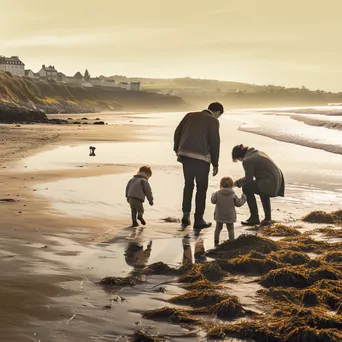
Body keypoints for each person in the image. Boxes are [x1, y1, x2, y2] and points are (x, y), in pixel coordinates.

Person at [174, 102, 224, 230]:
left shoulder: (189, 115)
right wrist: (215, 163)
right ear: (218, 112)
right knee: (201, 188)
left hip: (185, 155)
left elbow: (177, 132)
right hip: (201, 158)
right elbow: (214, 142)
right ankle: (198, 219)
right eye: (219, 115)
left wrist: (178, 150)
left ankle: (185, 215)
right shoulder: (213, 121)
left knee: (188, 185)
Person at [232, 145, 285, 226]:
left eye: (238, 159)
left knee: (247, 187)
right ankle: (268, 218)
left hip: (269, 182)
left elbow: (248, 179)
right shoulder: (257, 153)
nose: (239, 161)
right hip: (277, 180)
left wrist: (236, 183)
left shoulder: (247, 160)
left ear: (239, 156)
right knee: (260, 186)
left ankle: (254, 218)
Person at [211, 176, 246, 246]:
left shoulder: (218, 193)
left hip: (219, 215)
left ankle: (216, 240)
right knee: (230, 229)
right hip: (230, 215)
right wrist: (243, 198)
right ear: (232, 185)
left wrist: (212, 195)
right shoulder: (233, 195)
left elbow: (213, 201)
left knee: (218, 228)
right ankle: (231, 241)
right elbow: (238, 203)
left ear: (221, 185)